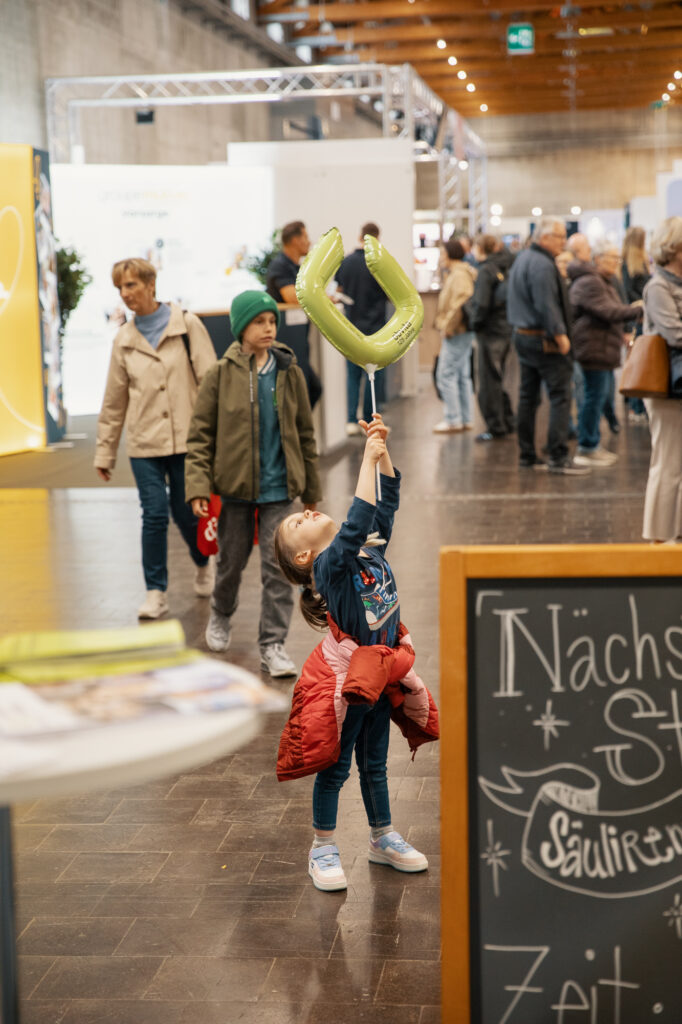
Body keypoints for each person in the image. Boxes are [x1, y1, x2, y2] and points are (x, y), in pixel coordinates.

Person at [274, 413, 439, 892]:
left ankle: (382, 837)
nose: (306, 512)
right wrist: (365, 459)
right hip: (350, 683)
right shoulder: (329, 567)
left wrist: (381, 449)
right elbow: (359, 517)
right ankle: (322, 846)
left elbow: (384, 505)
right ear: (304, 558)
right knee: (336, 765)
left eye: (302, 511)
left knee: (374, 761)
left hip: (382, 674)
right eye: (296, 524)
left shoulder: (368, 548)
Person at [185, 289, 322, 677]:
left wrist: (312, 494)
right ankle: (220, 614)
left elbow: (305, 435)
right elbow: (200, 436)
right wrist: (198, 486)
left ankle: (273, 645)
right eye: (259, 322)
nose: (268, 328)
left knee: (280, 570)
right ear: (241, 327)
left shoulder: (288, 373)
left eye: (272, 322)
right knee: (229, 564)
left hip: (281, 490)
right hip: (235, 491)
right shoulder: (219, 375)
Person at [95, 257, 216, 620]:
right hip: (144, 444)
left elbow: (211, 384)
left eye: (131, 285)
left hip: (187, 442)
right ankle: (155, 591)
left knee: (186, 515)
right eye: (120, 288)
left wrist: (216, 438)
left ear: (151, 284)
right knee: (153, 515)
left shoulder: (187, 325)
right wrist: (105, 452)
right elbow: (114, 400)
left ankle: (202, 563)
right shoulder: (124, 339)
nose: (125, 294)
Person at [507, 215, 588, 474]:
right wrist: (560, 334)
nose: (564, 242)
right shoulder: (542, 264)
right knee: (560, 395)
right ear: (544, 238)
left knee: (528, 397)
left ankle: (527, 455)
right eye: (560, 237)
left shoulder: (523, 259)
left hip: (523, 336)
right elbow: (546, 304)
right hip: (544, 339)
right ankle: (557, 456)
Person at [567, 241, 642, 466]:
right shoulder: (591, 282)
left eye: (617, 259)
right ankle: (587, 447)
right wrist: (639, 309)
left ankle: (592, 443)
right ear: (598, 259)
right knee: (593, 398)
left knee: (599, 397)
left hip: (601, 347)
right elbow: (608, 311)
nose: (615, 263)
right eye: (611, 258)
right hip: (593, 348)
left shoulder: (603, 281)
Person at [641, 217, 682, 543]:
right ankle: (658, 537)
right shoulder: (658, 286)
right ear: (674, 249)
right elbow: (674, 333)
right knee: (667, 463)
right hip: (667, 386)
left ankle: (676, 533)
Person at [335, 222, 388, 436]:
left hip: (351, 328)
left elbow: (338, 290)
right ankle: (369, 419)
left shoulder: (346, 263)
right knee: (373, 375)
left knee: (352, 375)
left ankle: (350, 420)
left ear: (360, 236)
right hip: (376, 330)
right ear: (377, 237)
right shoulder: (379, 265)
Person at [266, 220, 322, 409]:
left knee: (311, 390)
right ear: (295, 240)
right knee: (305, 392)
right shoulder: (280, 266)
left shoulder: (296, 268)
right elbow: (292, 297)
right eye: (305, 237)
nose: (309, 242)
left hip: (298, 343)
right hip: (285, 344)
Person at [468, 234, 516, 441]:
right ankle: (507, 421)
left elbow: (482, 304)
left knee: (488, 381)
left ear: (480, 248)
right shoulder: (506, 266)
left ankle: (495, 426)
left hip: (490, 331)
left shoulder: (487, 270)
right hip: (506, 328)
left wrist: (474, 322)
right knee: (499, 379)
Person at [433, 238, 477, 433]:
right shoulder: (459, 273)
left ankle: (452, 418)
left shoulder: (459, 275)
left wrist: (448, 326)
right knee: (461, 375)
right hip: (461, 331)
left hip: (457, 331)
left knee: (446, 374)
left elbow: (459, 303)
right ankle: (464, 418)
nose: (441, 258)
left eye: (443, 254)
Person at [622, 226, 652, 425]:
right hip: (637, 318)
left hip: (641, 315)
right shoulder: (629, 262)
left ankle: (637, 405)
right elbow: (628, 292)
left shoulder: (638, 260)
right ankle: (635, 407)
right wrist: (641, 303)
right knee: (637, 364)